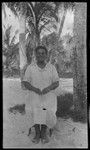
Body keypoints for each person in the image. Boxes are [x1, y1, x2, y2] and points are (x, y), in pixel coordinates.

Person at [22, 46, 59, 144]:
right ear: (35, 55)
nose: (41, 55)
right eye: (39, 53)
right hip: (34, 96)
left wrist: (48, 88)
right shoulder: (30, 67)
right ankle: (37, 133)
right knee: (34, 111)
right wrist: (34, 89)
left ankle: (43, 132)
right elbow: (25, 82)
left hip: (48, 97)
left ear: (46, 55)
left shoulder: (51, 68)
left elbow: (56, 82)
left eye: (43, 53)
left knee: (47, 110)